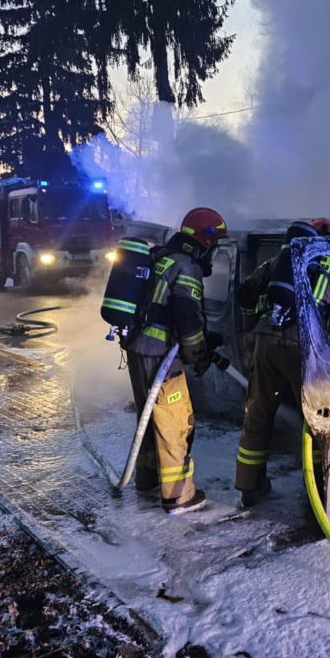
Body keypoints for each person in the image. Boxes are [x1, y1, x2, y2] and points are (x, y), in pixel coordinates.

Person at [235, 219, 330, 508]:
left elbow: (245, 294)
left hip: (265, 340)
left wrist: (258, 317)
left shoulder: (280, 259)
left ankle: (250, 488)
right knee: (316, 420)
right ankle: (319, 492)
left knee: (258, 415)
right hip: (304, 345)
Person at [124, 207, 227, 515]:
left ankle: (147, 479)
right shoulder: (187, 266)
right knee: (174, 423)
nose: (214, 250)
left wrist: (203, 344)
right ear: (204, 240)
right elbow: (187, 317)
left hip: (137, 349)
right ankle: (178, 496)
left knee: (148, 417)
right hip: (161, 357)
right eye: (215, 242)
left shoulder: (161, 257)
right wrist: (199, 354)